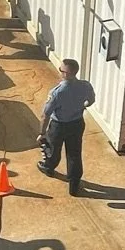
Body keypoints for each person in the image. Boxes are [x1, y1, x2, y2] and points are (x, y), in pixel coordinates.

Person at [39, 58, 95, 194]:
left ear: (66, 74)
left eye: (61, 70)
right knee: (74, 154)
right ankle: (74, 184)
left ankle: (49, 167)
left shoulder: (57, 92)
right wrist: (81, 107)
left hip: (58, 126)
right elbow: (91, 100)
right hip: (76, 124)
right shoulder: (85, 86)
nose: (60, 72)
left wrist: (42, 132)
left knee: (53, 148)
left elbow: (46, 114)